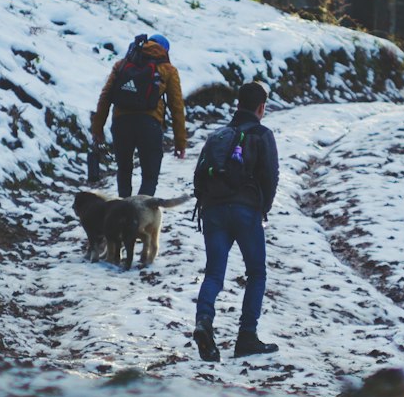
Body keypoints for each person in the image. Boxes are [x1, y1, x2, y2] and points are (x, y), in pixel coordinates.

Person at [192, 80, 280, 362]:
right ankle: (246, 337)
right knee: (256, 273)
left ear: (238, 104)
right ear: (261, 107)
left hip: (213, 210)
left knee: (214, 273)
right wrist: (262, 207)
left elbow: (198, 177)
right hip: (245, 211)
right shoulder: (262, 135)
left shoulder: (218, 135)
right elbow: (270, 176)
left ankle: (204, 320)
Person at [91, 33, 187, 198]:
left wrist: (97, 128)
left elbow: (105, 96)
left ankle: (123, 213)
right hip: (150, 125)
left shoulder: (122, 65)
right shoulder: (167, 70)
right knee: (150, 175)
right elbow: (176, 106)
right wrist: (180, 142)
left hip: (121, 123)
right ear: (165, 51)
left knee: (124, 170)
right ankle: (140, 212)